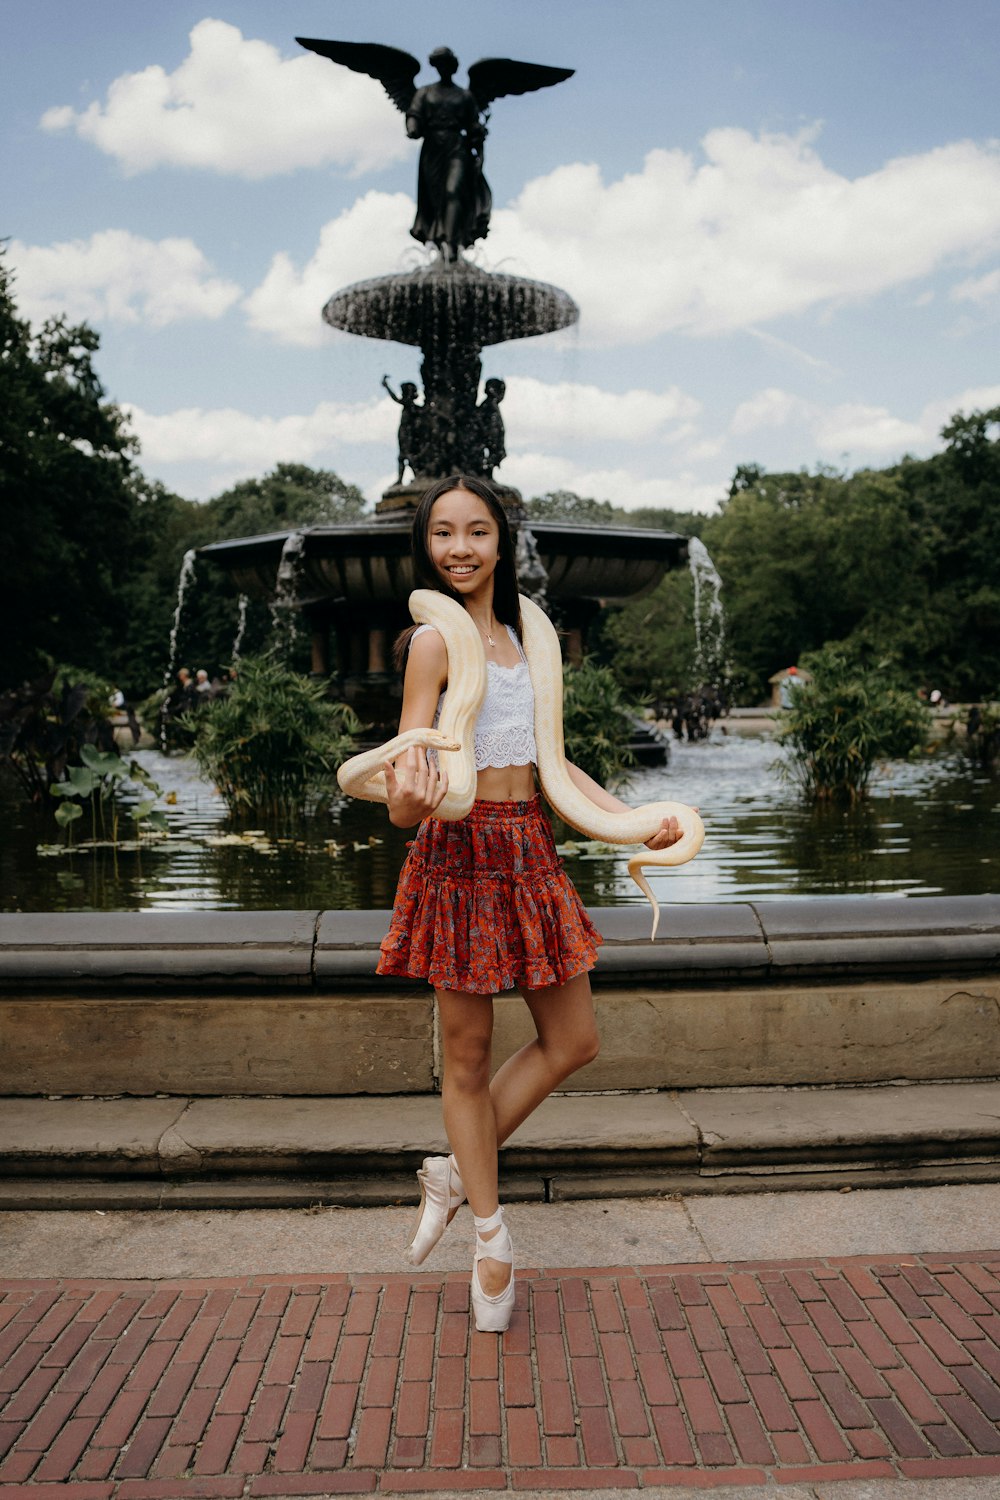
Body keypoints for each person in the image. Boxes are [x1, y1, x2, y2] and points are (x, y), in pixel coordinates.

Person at [376, 475, 683, 1333]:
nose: (460, 547)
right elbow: (406, 790)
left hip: (531, 851)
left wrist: (632, 822)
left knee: (573, 1040)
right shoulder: (431, 644)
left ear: (502, 542)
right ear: (425, 548)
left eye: (477, 531)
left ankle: (449, 1171)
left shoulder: (527, 638)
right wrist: (407, 789)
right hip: (460, 856)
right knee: (467, 1061)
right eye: (443, 533)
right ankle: (490, 1232)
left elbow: (556, 763)